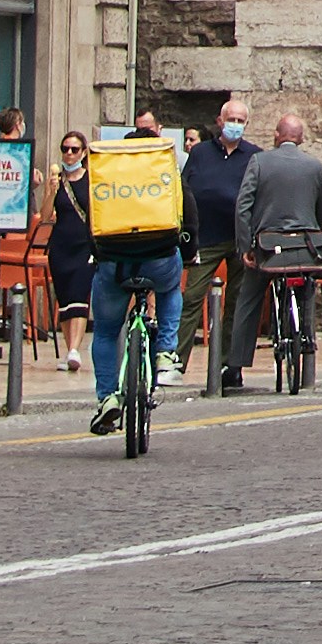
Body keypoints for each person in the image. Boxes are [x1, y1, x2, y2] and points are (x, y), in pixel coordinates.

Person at [86, 111, 193, 431]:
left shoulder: (110, 175)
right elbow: (187, 217)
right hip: (159, 256)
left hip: (114, 259)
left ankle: (107, 397)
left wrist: (98, 253)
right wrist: (187, 252)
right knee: (171, 287)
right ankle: (165, 352)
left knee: (105, 331)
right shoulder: (166, 173)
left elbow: (91, 222)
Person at [225, 111, 322, 383]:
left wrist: (245, 246)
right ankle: (305, 338)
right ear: (301, 139)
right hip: (305, 248)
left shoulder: (259, 162)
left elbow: (243, 206)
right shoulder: (315, 166)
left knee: (248, 297)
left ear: (276, 135)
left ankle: (236, 366)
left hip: (268, 247)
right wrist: (314, 230)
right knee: (305, 288)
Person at [182, 97, 252, 392]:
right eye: (231, 119)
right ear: (220, 121)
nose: (235, 125)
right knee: (191, 298)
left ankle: (230, 365)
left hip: (238, 238)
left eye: (241, 121)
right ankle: (175, 360)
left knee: (236, 303)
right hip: (206, 237)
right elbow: (184, 187)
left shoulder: (254, 156)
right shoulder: (200, 153)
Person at [44, 129, 96, 379]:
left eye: (74, 149)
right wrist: (51, 191)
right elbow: (45, 216)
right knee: (64, 300)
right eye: (65, 149)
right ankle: (69, 349)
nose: (69, 153)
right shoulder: (58, 180)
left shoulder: (91, 179)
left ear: (83, 152)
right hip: (61, 245)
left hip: (84, 244)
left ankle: (75, 349)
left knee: (79, 296)